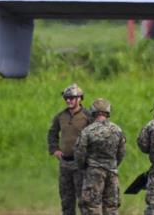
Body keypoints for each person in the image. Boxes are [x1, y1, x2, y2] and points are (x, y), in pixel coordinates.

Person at [74, 98, 126, 215]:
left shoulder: (87, 131)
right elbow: (122, 152)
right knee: (112, 206)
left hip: (93, 173)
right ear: (108, 112)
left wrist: (84, 167)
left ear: (93, 112)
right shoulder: (117, 130)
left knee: (92, 206)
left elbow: (79, 153)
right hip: (112, 172)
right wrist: (113, 164)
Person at [48, 83, 93, 215]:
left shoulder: (88, 116)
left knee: (83, 199)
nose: (68, 100)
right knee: (66, 200)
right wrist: (54, 149)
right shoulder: (60, 116)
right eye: (66, 98)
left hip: (81, 164)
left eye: (71, 98)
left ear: (79, 98)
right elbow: (52, 133)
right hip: (64, 163)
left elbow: (96, 135)